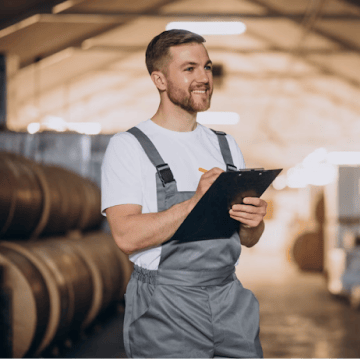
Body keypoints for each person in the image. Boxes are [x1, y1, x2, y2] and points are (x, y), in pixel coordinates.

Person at [101, 29, 266, 359]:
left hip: (229, 299)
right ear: (159, 80)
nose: (204, 77)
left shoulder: (226, 145)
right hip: (166, 305)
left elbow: (248, 239)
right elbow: (126, 236)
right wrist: (194, 203)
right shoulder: (129, 146)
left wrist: (253, 221)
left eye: (207, 67)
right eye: (189, 69)